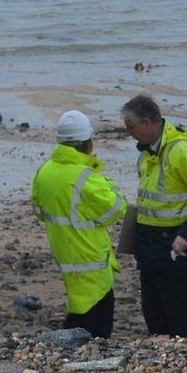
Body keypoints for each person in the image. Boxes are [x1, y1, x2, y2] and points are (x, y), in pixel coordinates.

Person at [120, 94, 187, 337]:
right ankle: (161, 346)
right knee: (152, 308)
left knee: (176, 308)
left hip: (174, 241)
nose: (129, 133)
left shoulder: (181, 150)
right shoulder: (146, 152)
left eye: (130, 127)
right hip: (149, 241)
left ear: (147, 123)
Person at [29, 110, 123, 339]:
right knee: (96, 310)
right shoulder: (86, 177)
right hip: (90, 254)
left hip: (64, 249)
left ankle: (72, 341)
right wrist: (108, 183)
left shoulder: (45, 170)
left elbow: (39, 210)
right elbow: (116, 209)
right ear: (87, 143)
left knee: (79, 300)